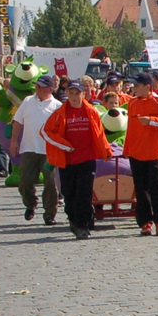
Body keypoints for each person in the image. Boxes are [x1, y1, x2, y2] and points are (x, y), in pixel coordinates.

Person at [40, 80, 113, 240]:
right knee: (69, 194)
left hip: (87, 159)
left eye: (77, 93)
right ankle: (73, 220)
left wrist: (106, 150)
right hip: (67, 160)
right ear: (66, 94)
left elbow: (99, 133)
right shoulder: (60, 113)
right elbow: (45, 132)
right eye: (71, 93)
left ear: (84, 94)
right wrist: (64, 145)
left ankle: (83, 225)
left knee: (84, 194)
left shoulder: (91, 111)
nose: (73, 97)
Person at [121, 73, 158, 236]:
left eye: (137, 86)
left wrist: (152, 121)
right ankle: (145, 222)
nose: (134, 89)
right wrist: (127, 149)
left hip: (156, 152)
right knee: (141, 189)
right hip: (136, 153)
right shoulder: (132, 103)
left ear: (147, 86)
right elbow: (131, 128)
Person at [10, 74, 62, 226]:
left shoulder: (57, 106)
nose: (37, 88)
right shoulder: (27, 101)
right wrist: (14, 141)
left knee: (50, 183)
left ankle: (50, 213)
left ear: (51, 89)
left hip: (49, 151)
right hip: (29, 148)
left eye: (41, 86)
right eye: (37, 85)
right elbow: (18, 121)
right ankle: (30, 203)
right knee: (25, 181)